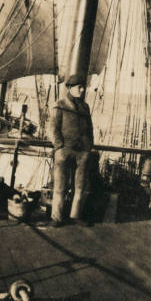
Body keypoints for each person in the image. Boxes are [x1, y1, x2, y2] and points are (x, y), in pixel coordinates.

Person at [48, 73, 94, 227]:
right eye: (79, 87)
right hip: (64, 150)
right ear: (69, 88)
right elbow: (52, 128)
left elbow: (90, 129)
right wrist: (59, 147)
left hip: (82, 153)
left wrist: (89, 146)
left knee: (79, 186)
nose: (82, 90)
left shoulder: (85, 107)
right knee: (60, 186)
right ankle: (57, 218)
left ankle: (75, 215)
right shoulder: (59, 105)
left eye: (83, 87)